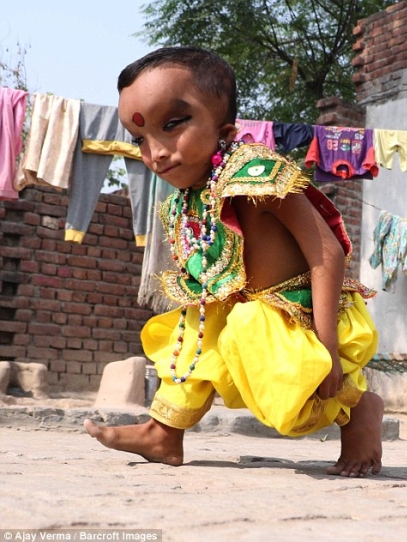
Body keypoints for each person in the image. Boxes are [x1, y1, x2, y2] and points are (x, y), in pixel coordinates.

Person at [83, 46, 384, 476]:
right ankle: (164, 432)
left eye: (172, 125)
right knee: (193, 324)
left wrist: (328, 350)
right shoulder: (190, 201)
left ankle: (357, 410)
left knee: (283, 387)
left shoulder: (258, 174)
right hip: (244, 315)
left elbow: (327, 252)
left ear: (224, 131)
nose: (156, 152)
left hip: (302, 318)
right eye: (141, 139)